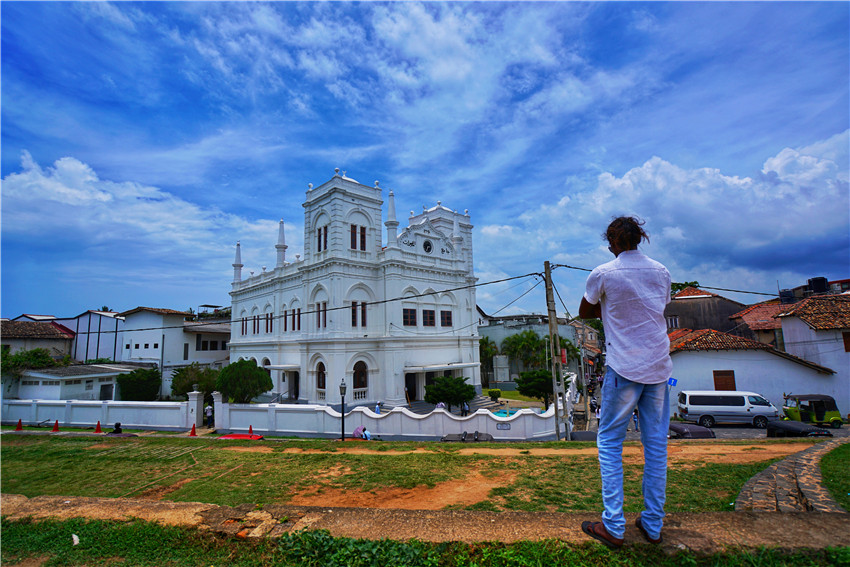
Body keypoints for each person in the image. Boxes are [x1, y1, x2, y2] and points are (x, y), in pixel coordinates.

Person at [578, 216, 672, 549]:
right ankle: (653, 524)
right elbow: (654, 307)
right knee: (656, 445)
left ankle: (614, 526)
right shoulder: (662, 272)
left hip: (624, 368)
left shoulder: (603, 273)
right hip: (658, 367)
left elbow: (585, 311)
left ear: (613, 243)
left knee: (609, 442)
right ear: (639, 239)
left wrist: (608, 306)